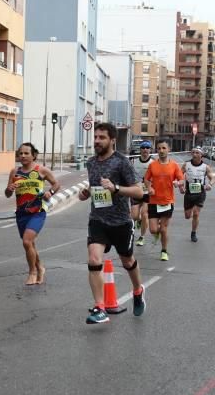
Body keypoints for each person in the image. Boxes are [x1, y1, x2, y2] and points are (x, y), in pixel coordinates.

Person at [78, 122, 146, 325]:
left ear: (112, 140)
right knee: (93, 258)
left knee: (127, 261)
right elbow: (93, 188)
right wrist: (86, 193)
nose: (97, 141)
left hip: (121, 222)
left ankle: (138, 290)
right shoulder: (91, 163)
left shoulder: (121, 162)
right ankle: (99, 307)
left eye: (102, 138)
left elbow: (139, 192)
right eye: (95, 137)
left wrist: (116, 187)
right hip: (98, 220)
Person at [5, 142, 60, 286]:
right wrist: (10, 189)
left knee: (26, 242)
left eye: (26, 153)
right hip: (21, 213)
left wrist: (50, 192)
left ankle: (32, 272)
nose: (23, 156)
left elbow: (56, 184)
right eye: (20, 153)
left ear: (33, 155)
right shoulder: (14, 172)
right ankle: (40, 268)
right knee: (31, 245)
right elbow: (7, 194)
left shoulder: (41, 170)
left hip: (38, 212)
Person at [144, 139, 184, 261]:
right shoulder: (152, 165)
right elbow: (146, 179)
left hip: (167, 201)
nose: (161, 151)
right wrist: (149, 188)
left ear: (168, 149)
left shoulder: (174, 165)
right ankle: (157, 233)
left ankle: (164, 251)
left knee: (164, 228)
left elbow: (181, 179)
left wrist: (178, 183)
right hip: (154, 201)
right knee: (153, 229)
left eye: (164, 148)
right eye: (159, 148)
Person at [181, 147, 214, 243]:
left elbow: (212, 177)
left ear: (201, 155)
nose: (194, 154)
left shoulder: (205, 166)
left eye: (197, 153)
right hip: (189, 193)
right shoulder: (186, 165)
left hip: (200, 193)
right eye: (193, 152)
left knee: (196, 214)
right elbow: (178, 175)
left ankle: (193, 232)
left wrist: (210, 184)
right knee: (187, 216)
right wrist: (180, 186)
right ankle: (190, 213)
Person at [131, 142, 153, 247]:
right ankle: (138, 220)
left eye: (147, 148)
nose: (145, 150)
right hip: (136, 191)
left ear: (150, 150)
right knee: (134, 216)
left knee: (145, 214)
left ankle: (142, 237)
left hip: (148, 192)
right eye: (143, 148)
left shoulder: (153, 163)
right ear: (140, 150)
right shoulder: (133, 161)